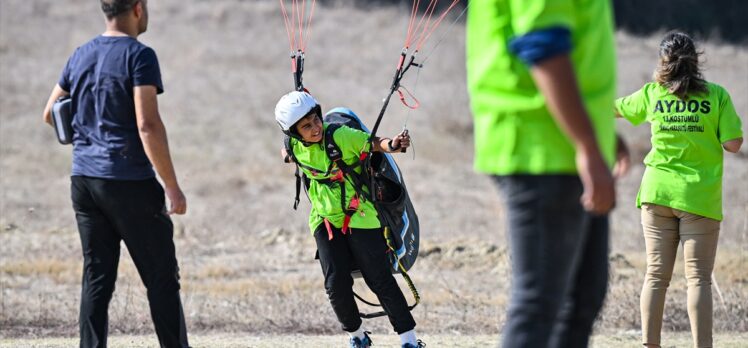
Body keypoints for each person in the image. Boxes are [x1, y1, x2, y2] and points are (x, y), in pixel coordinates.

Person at [466, 0, 629, 347]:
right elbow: (542, 45)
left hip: (565, 144)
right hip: (541, 149)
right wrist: (586, 142)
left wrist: (599, 133)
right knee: (539, 307)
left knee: (583, 298)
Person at [41, 1, 190, 347]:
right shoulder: (139, 55)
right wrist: (172, 187)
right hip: (128, 182)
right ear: (138, 9)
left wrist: (86, 134)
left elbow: (50, 113)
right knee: (161, 278)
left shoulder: (80, 54)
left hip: (83, 181)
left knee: (97, 277)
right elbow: (147, 124)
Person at [615, 31, 743, 348]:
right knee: (697, 278)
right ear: (696, 61)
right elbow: (733, 144)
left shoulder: (651, 94)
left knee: (656, 276)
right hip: (699, 197)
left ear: (663, 62)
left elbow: (612, 109)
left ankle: (650, 344)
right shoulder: (717, 96)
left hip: (657, 194)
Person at [275, 91, 423, 348]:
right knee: (335, 283)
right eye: (306, 126)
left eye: (316, 120)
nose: (315, 128)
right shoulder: (294, 146)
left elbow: (375, 143)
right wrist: (287, 156)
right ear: (295, 133)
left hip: (360, 214)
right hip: (324, 218)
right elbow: (287, 154)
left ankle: (409, 340)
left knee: (378, 279)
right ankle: (358, 336)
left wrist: (395, 144)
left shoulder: (339, 136)